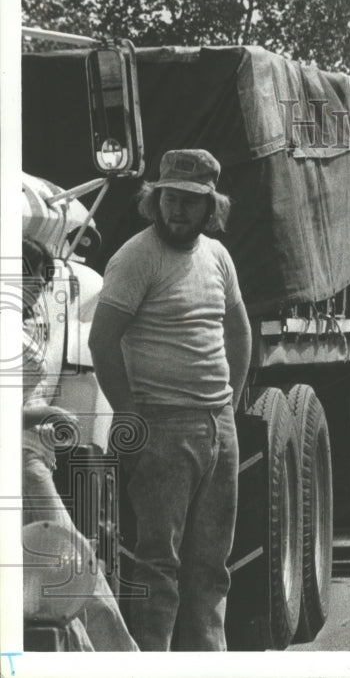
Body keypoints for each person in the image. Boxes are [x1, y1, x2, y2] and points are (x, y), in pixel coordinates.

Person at [89, 149, 252, 651]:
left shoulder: (217, 257)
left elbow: (239, 331)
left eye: (191, 201)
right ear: (155, 199)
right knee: (158, 566)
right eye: (170, 198)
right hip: (160, 428)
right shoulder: (137, 257)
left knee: (211, 568)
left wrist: (229, 408)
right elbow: (102, 340)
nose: (178, 209)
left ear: (211, 209)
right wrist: (131, 414)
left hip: (217, 428)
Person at [21, 238, 138, 651]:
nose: (41, 285)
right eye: (34, 275)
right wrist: (44, 415)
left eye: (44, 277)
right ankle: (117, 657)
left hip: (33, 455)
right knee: (73, 563)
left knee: (45, 572)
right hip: (23, 463)